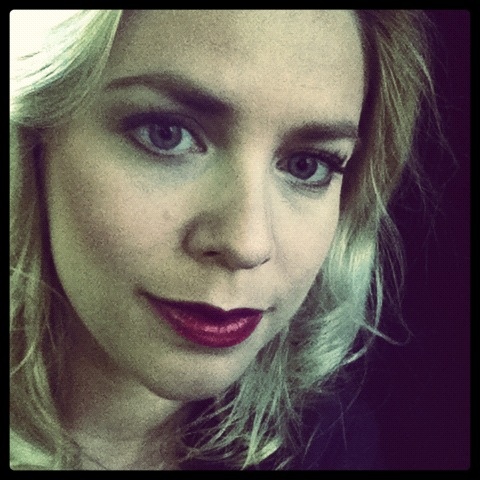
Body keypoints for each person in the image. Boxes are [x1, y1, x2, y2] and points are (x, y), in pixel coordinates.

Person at [10, 10, 438, 470]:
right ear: (32, 138)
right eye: (166, 135)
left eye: (307, 165)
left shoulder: (327, 442)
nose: (246, 244)